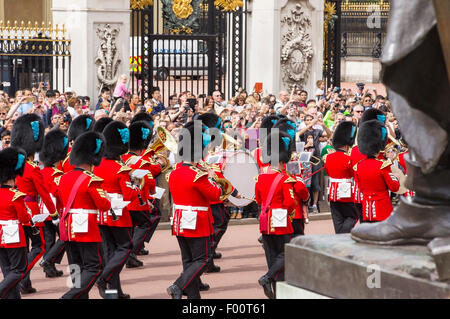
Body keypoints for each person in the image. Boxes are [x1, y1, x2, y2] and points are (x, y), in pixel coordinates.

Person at [166, 120, 223, 299]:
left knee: (188, 259)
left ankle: (193, 297)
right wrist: (213, 179)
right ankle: (178, 285)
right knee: (203, 259)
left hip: (180, 220)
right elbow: (215, 195)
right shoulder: (199, 176)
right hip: (198, 221)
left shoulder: (174, 172)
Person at [93, 121, 149, 299]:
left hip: (101, 212)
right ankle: (103, 278)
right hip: (117, 213)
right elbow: (128, 195)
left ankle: (114, 292)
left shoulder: (98, 165)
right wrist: (136, 185)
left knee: (110, 253)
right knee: (126, 247)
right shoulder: (120, 169)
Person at [56, 131, 111, 299]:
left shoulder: (63, 178)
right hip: (86, 228)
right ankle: (70, 296)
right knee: (95, 267)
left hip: (67, 226)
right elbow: (104, 206)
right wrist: (107, 198)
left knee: (76, 267)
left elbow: (59, 204)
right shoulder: (91, 180)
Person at [10, 114, 58, 294]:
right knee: (39, 246)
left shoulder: (9, 165)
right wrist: (54, 214)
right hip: (30, 209)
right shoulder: (32, 168)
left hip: (11, 209)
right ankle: (21, 275)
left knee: (22, 247)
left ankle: (25, 283)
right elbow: (44, 194)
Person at [255, 130, 297, 299]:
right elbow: (290, 203)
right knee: (286, 253)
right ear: (282, 159)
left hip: (265, 221)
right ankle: (268, 278)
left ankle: (275, 289)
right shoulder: (284, 179)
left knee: (272, 255)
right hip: (280, 221)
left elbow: (258, 199)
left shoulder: (260, 178)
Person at [122, 120, 160, 268]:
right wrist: (151, 195)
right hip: (137, 200)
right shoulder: (141, 161)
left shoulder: (123, 159)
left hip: (125, 198)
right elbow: (149, 182)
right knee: (145, 224)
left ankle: (129, 255)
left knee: (130, 227)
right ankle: (130, 253)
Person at [37, 129, 69, 278]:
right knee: (64, 237)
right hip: (55, 209)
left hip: (43, 209)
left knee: (50, 239)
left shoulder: (40, 172)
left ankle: (49, 268)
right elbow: (58, 193)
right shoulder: (56, 174)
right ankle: (48, 260)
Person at [355, 120, 400, 223]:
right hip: (382, 208)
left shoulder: (358, 166)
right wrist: (396, 178)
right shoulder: (383, 165)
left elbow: (360, 188)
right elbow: (394, 187)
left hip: (367, 209)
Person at [0, 147, 30, 299]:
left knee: (7, 269)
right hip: (13, 235)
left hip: (0, 235)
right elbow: (24, 218)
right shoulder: (15, 195)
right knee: (19, 270)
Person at [324, 121, 358, 233]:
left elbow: (328, 172)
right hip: (346, 192)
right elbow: (354, 174)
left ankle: (339, 237)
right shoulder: (348, 158)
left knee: (337, 219)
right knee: (353, 216)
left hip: (333, 192)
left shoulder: (328, 157)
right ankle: (341, 236)